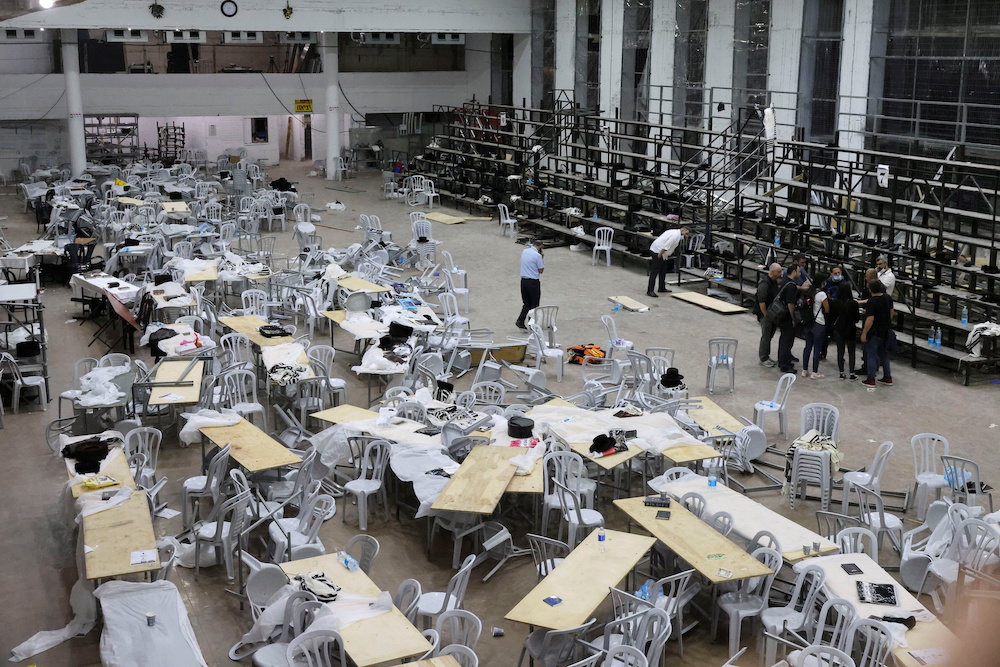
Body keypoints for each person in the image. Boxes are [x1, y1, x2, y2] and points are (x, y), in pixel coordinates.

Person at [761, 263, 800, 373]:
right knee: (785, 340)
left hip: (781, 317)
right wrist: (793, 318)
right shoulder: (791, 286)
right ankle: (784, 364)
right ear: (794, 272)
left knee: (784, 339)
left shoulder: (785, 281)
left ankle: (785, 359)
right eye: (798, 271)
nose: (800, 273)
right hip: (786, 317)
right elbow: (790, 304)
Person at [860, 280, 894, 387]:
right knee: (884, 354)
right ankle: (887, 377)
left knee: (872, 355)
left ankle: (871, 379)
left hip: (874, 332)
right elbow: (891, 312)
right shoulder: (887, 298)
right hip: (885, 330)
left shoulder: (872, 302)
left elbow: (870, 319)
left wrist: (864, 333)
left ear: (870, 289)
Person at [828, 276, 860, 380]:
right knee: (851, 352)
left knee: (840, 351)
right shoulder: (853, 303)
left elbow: (832, 316)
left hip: (839, 328)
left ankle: (841, 372)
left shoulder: (835, 302)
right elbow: (857, 318)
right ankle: (851, 373)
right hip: (850, 329)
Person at [646, 224, 689, 297]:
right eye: (686, 233)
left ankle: (661, 287)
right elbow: (667, 245)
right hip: (658, 251)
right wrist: (660, 254)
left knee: (663, 270)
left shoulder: (675, 232)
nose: (686, 235)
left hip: (662, 253)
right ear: (683, 230)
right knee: (655, 271)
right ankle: (650, 290)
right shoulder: (675, 235)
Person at [801, 276, 830, 379]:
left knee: (808, 346)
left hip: (808, 321)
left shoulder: (809, 291)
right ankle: (814, 372)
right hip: (819, 322)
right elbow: (827, 309)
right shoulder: (821, 294)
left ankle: (804, 370)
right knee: (817, 348)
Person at [756, 263, 783, 367]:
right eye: (779, 271)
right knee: (766, 336)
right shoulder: (764, 284)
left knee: (770, 335)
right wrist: (766, 315)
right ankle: (763, 358)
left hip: (772, 314)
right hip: (766, 314)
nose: (780, 273)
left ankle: (766, 355)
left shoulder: (774, 282)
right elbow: (761, 301)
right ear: (773, 272)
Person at [515, 239, 545, 330]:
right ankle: (532, 324)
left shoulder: (525, 251)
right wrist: (541, 257)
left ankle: (520, 320)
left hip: (524, 281)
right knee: (534, 305)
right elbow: (541, 270)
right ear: (540, 247)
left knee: (526, 303)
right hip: (533, 282)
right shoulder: (537, 256)